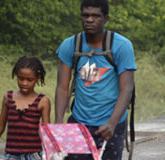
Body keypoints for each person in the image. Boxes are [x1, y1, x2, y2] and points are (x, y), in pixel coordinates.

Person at [54, 0, 136, 159]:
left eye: (95, 16)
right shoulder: (70, 45)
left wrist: (112, 123)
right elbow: (62, 88)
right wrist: (58, 122)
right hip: (79, 121)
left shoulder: (121, 46)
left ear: (106, 19)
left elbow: (126, 89)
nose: (89, 20)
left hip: (111, 123)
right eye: (85, 15)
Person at [0, 56, 51, 160]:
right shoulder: (8, 98)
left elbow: (45, 130)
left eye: (29, 80)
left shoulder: (43, 101)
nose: (24, 83)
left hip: (33, 155)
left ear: (38, 78)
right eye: (21, 78)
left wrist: (51, 153)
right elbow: (0, 127)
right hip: (11, 155)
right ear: (16, 76)